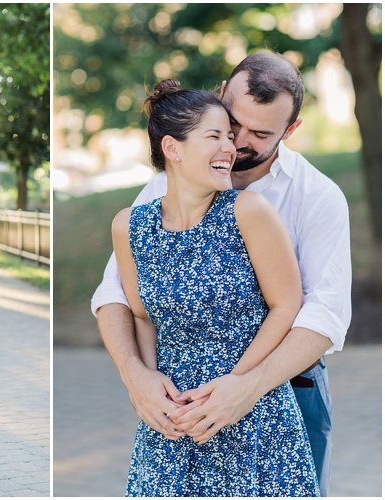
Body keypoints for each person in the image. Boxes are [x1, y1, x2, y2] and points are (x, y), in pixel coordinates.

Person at [92, 51, 350, 496]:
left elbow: (320, 313)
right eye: (230, 124)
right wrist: (138, 377)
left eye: (259, 132)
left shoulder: (317, 197)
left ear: (290, 131)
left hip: (287, 385)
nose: (237, 141)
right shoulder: (158, 193)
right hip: (181, 405)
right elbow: (118, 295)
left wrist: (245, 387)